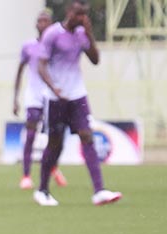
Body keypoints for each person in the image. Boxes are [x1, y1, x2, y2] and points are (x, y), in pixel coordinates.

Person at [34, 0, 122, 206]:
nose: (80, 18)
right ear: (68, 12)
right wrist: (53, 86)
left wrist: (90, 34)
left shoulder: (82, 35)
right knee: (55, 145)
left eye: (84, 14)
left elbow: (95, 59)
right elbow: (41, 66)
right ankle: (42, 190)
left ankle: (99, 191)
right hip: (56, 98)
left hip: (77, 96)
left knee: (87, 136)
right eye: (77, 13)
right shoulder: (53, 34)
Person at [13, 8, 67, 190]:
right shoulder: (28, 46)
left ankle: (53, 168)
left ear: (51, 24)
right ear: (36, 24)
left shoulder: (56, 46)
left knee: (55, 137)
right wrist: (15, 99)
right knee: (30, 134)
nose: (42, 24)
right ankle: (26, 175)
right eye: (39, 21)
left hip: (52, 96)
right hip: (34, 96)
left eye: (46, 21)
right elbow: (20, 71)